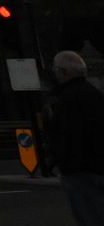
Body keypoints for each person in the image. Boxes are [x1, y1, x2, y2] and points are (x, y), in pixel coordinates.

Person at [47, 50, 104, 225]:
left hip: (79, 170)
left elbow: (65, 135)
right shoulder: (96, 95)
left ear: (62, 72)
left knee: (89, 216)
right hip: (98, 165)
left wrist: (60, 161)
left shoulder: (65, 99)